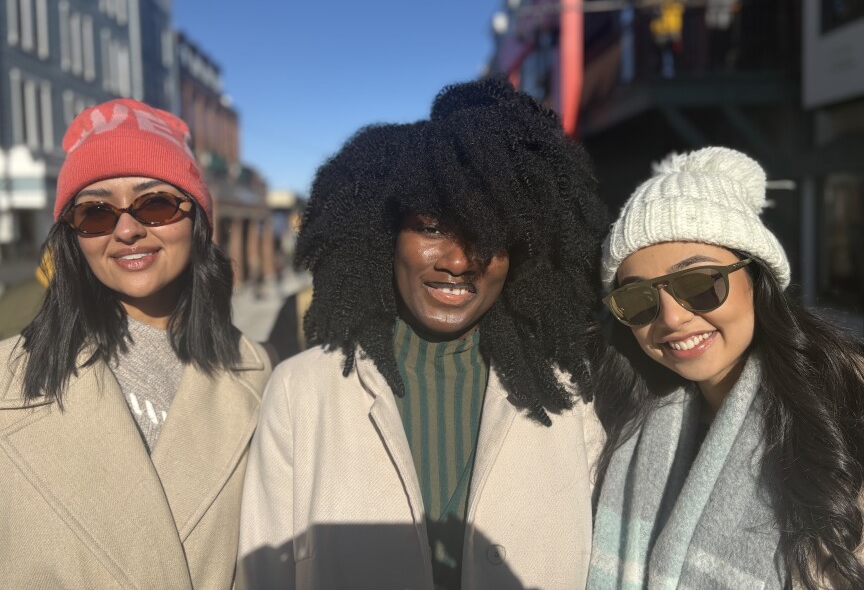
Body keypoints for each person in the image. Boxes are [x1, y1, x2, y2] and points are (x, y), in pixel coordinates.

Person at [238, 78, 609, 589]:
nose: (459, 261)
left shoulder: (568, 394)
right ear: (385, 237)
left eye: (488, 235)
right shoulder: (300, 392)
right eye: (432, 229)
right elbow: (264, 575)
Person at [0, 99, 272, 589]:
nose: (126, 230)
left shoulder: (258, 372)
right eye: (95, 213)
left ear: (196, 219)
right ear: (72, 237)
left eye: (155, 204)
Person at [588, 147, 864, 589]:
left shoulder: (849, 408)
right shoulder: (617, 421)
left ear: (757, 279)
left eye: (699, 284)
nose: (672, 318)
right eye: (638, 300)